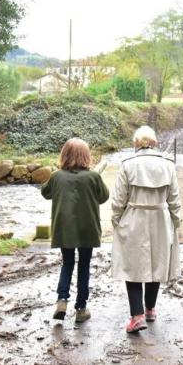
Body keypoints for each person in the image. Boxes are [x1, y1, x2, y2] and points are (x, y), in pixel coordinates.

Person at [111, 125, 182, 333]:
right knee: (157, 262)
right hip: (160, 217)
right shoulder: (168, 165)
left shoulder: (127, 165)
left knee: (131, 266)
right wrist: (176, 222)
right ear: (155, 143)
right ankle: (150, 309)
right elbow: (175, 199)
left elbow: (118, 199)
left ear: (135, 144)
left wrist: (116, 221)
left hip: (134, 218)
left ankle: (137, 315)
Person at [41, 137, 109, 323]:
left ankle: (62, 300)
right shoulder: (93, 177)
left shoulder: (57, 176)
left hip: (64, 229)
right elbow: (104, 197)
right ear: (86, 156)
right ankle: (81, 308)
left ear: (64, 155)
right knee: (84, 266)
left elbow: (45, 193)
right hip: (88, 228)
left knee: (67, 263)